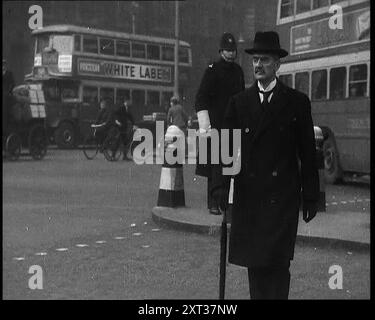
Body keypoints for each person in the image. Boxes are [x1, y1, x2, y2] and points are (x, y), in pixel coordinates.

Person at [220, 31, 319, 299]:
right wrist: (217, 192)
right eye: (254, 60)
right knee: (256, 267)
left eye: (264, 59)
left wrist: (310, 197)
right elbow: (226, 152)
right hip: (250, 199)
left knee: (277, 266)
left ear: (277, 64)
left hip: (281, 200)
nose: (258, 65)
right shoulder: (238, 103)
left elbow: (308, 154)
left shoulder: (297, 103)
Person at [195, 32, 245, 215]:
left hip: (233, 125)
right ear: (221, 51)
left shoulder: (238, 71)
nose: (231, 54)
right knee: (214, 167)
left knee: (229, 165)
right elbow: (200, 98)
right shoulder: (212, 69)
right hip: (215, 125)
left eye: (233, 51)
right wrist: (205, 126)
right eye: (228, 50)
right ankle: (213, 203)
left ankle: (226, 201)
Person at [3, 59, 15, 135]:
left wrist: (9, 92)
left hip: (6, 95)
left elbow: (13, 84)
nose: (3, 66)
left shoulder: (9, 73)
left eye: (4, 64)